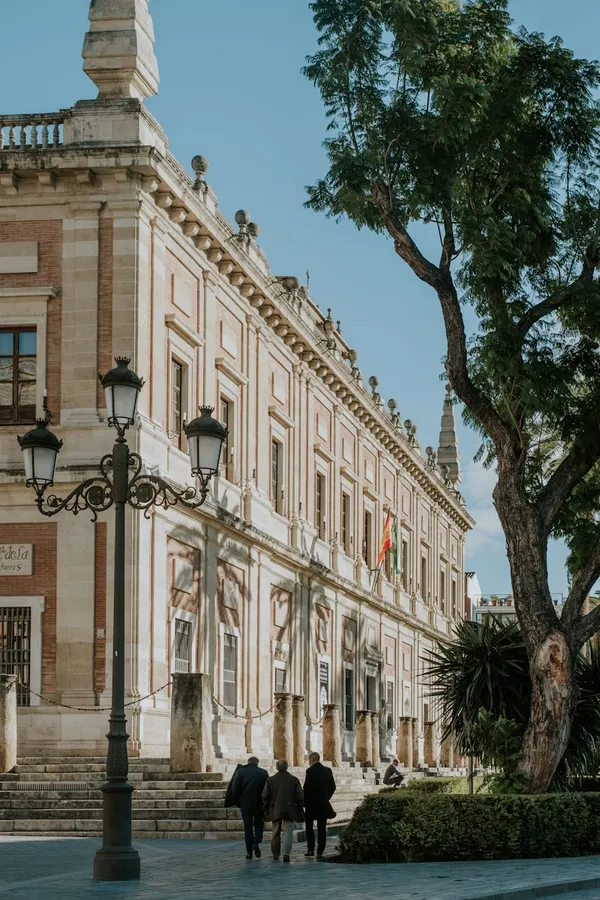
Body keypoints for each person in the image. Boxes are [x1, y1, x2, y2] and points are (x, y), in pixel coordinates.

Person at [262, 759, 304, 862]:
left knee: (275, 831)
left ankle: (275, 854)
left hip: (275, 808)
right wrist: (299, 807)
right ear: (286, 767)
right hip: (290, 809)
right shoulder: (294, 779)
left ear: (277, 768)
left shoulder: (271, 780)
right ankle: (286, 854)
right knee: (288, 831)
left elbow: (265, 795)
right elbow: (300, 795)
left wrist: (265, 807)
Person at [230, 756, 269, 860]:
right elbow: (267, 789)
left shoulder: (240, 772)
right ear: (257, 763)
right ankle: (256, 842)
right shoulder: (263, 772)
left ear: (248, 762)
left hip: (245, 804)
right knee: (259, 824)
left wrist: (239, 801)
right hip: (259, 803)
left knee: (248, 827)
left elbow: (234, 789)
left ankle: (249, 853)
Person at [303, 751, 336, 860]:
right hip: (323, 803)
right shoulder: (327, 771)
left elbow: (306, 788)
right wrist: (326, 797)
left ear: (311, 760)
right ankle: (320, 852)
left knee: (309, 827)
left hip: (311, 804)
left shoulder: (310, 771)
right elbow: (333, 786)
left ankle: (310, 849)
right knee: (322, 828)